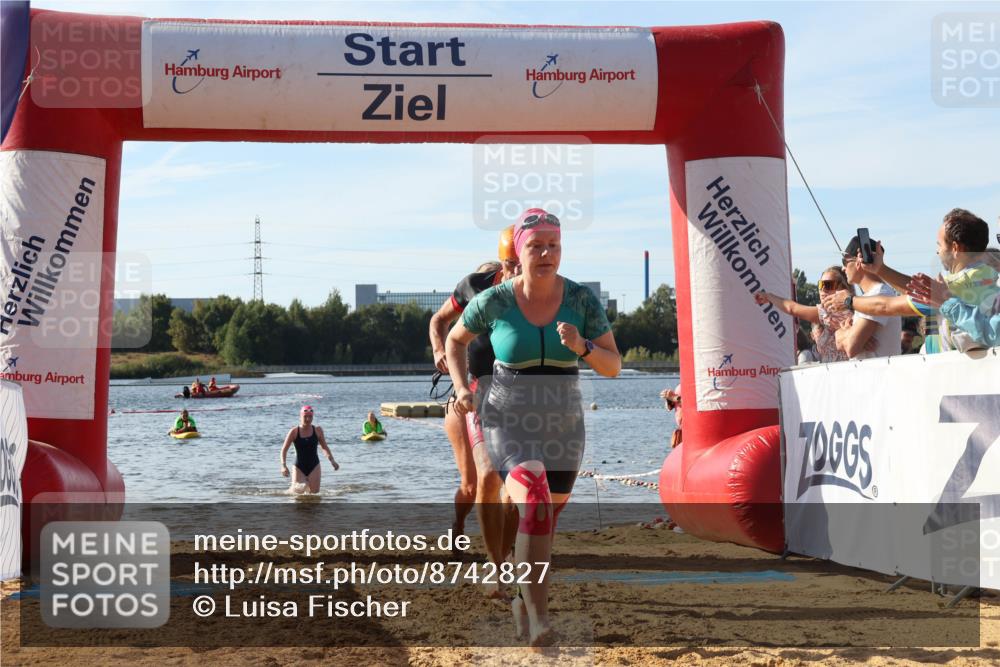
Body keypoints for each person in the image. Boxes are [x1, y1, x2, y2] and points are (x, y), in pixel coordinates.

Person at [446, 208, 621, 648]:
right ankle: (540, 621)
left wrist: (581, 346)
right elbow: (454, 339)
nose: (546, 253)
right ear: (518, 252)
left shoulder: (581, 300)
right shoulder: (496, 300)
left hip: (564, 424)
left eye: (554, 245)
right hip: (508, 417)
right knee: (536, 502)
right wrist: (460, 385)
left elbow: (614, 365)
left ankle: (524, 597)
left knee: (545, 516)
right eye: (536, 245)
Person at [428, 227, 520, 593]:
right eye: (511, 266)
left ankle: (507, 554)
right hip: (471, 393)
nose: (517, 274)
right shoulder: (474, 288)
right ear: (502, 265)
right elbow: (439, 322)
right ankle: (459, 531)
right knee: (476, 480)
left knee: (513, 483)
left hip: (515, 393)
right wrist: (440, 354)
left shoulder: (536, 293)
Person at [824, 210, 996, 353]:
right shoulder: (988, 277)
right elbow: (916, 291)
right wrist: (881, 270)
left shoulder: (953, 286)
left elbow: (886, 307)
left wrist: (849, 301)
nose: (937, 252)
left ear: (956, 249)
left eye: (940, 245)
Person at [754, 266, 856, 362]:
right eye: (821, 284)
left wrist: (769, 297)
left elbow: (792, 308)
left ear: (842, 287)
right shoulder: (847, 312)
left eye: (828, 285)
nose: (823, 290)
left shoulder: (833, 314)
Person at [280, 405, 338, 494]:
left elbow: (324, 447)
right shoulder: (294, 431)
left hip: (314, 465)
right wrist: (283, 466)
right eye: (305, 416)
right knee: (298, 491)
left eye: (310, 416)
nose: (308, 419)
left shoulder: (318, 430)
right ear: (300, 416)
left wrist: (332, 461)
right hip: (299, 466)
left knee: (314, 494)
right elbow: (284, 450)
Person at [660, 383, 682, 448]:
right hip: (681, 430)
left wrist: (674, 397)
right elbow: (669, 408)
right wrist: (668, 398)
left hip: (693, 429)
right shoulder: (680, 385)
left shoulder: (698, 382)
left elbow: (693, 403)